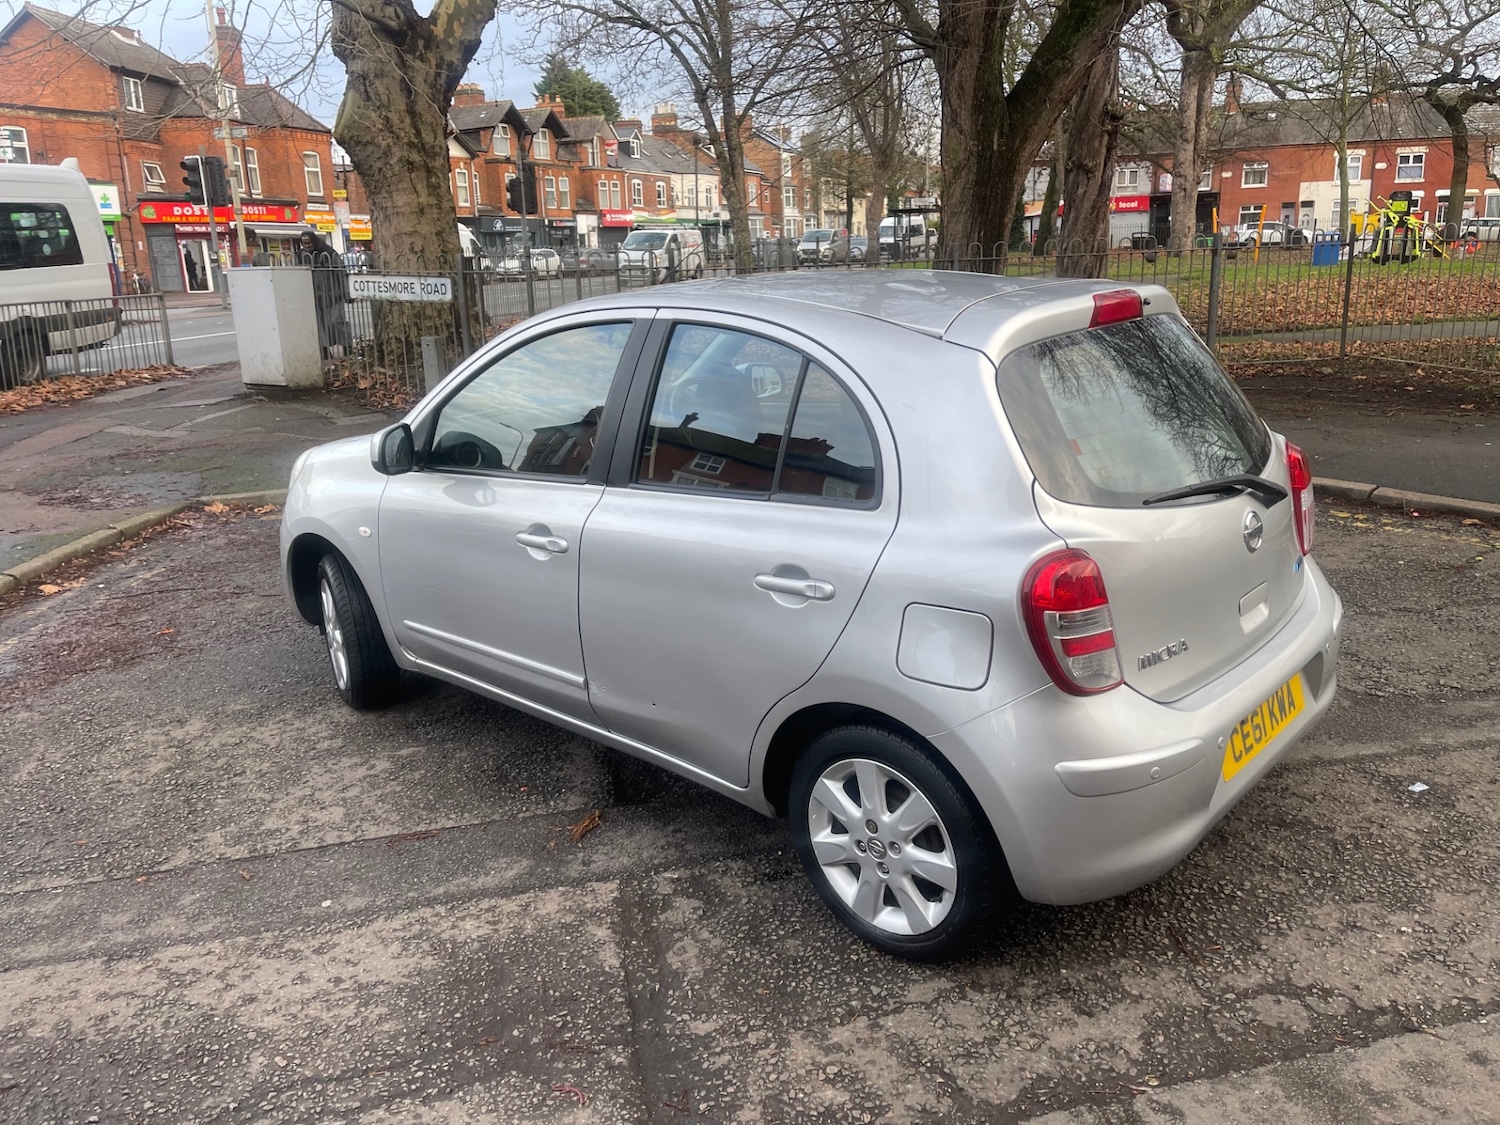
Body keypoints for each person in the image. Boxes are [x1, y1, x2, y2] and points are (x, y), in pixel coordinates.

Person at [297, 229, 352, 358]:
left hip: (333, 295)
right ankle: (325, 351)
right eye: (304, 243)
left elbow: (340, 272)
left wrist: (346, 293)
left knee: (337, 323)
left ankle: (348, 348)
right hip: (314, 297)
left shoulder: (328, 253)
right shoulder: (301, 255)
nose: (307, 246)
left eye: (309, 243)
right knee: (319, 326)